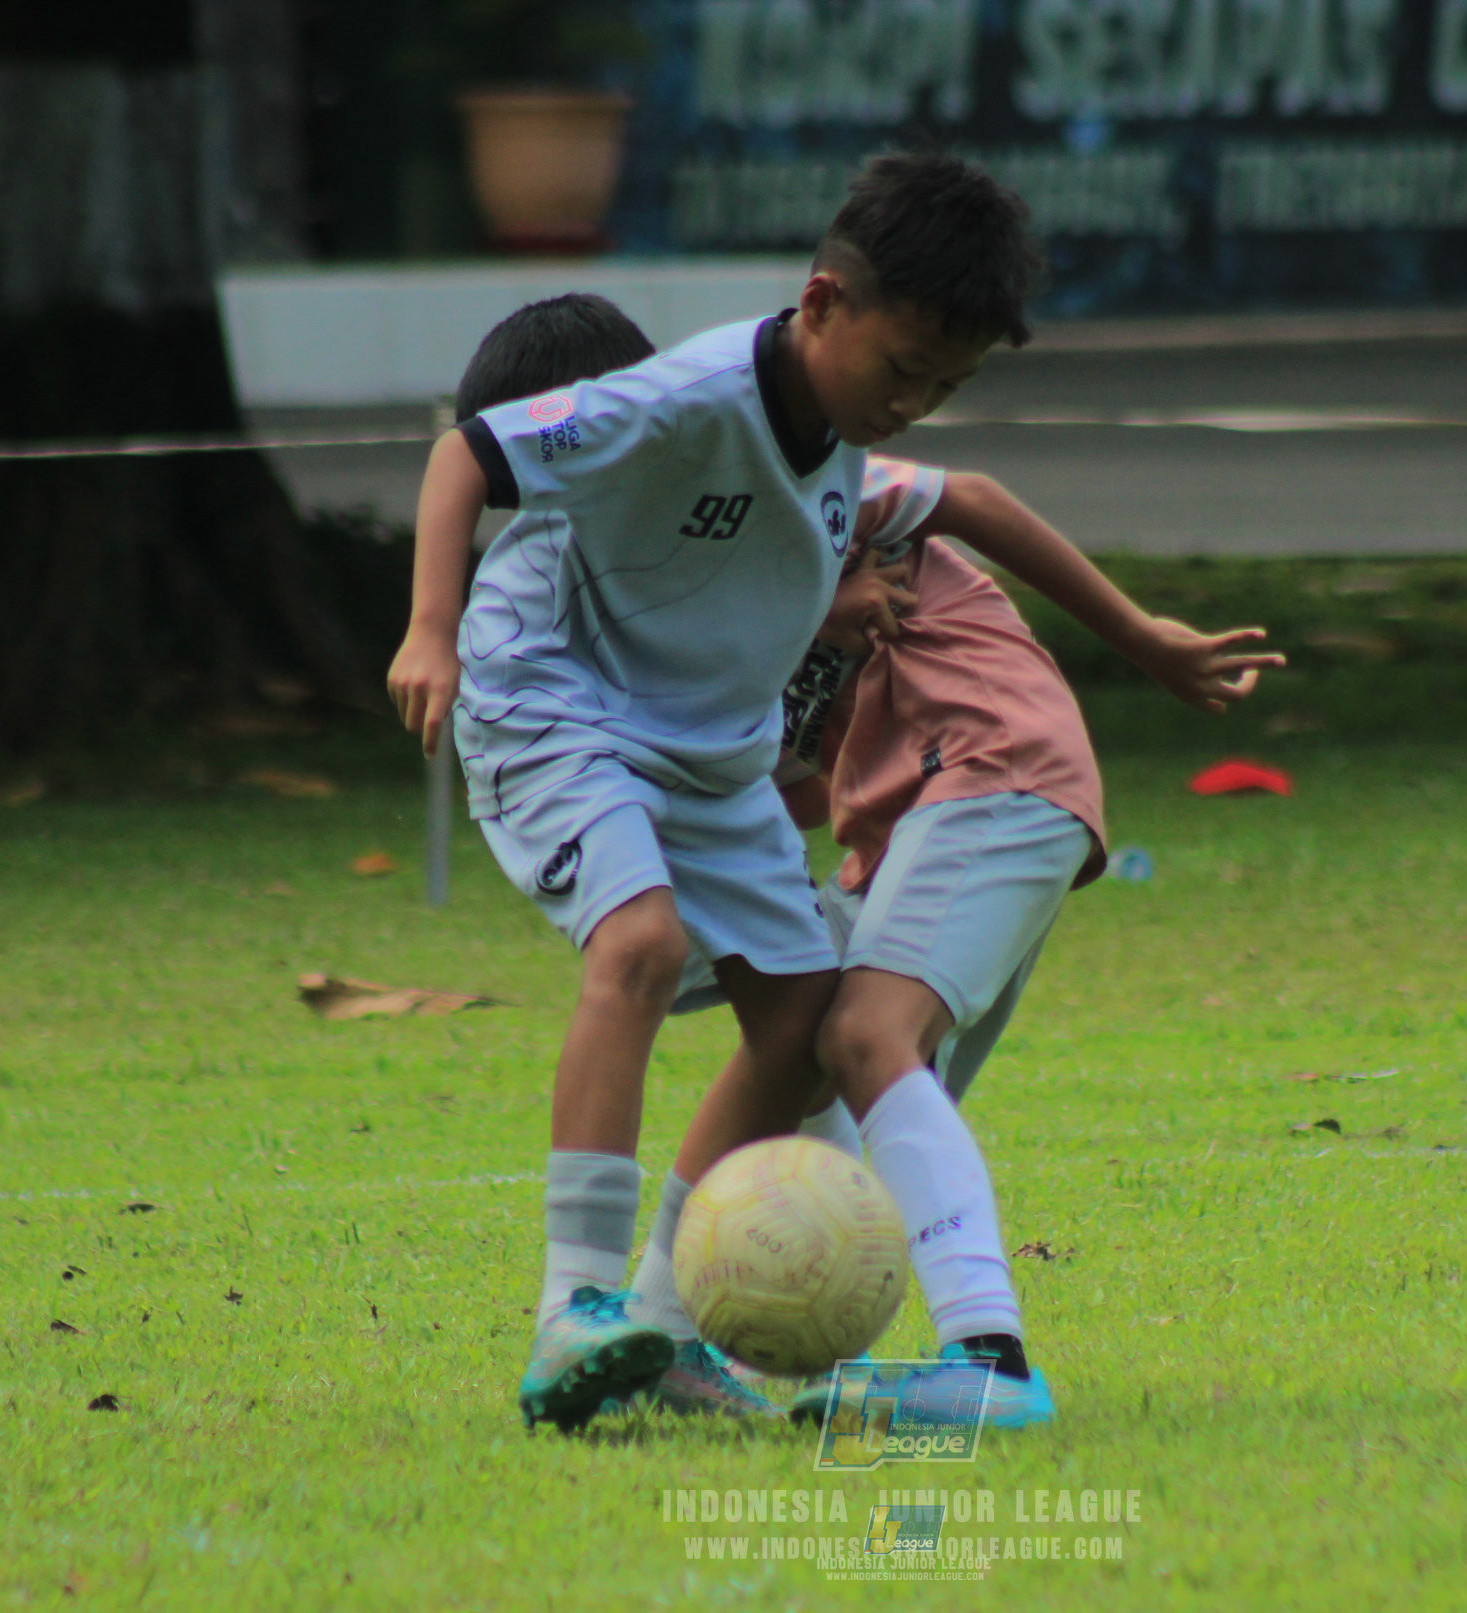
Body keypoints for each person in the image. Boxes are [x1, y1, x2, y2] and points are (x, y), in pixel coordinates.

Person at [386, 153, 1050, 1432]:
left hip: (707, 753)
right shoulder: (680, 395)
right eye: (901, 366)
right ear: (820, 305)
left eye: (944, 384)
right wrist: (431, 628)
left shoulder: (847, 435)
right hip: (555, 707)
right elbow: (464, 456)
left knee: (800, 1030)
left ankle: (663, 1323)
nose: (913, 400)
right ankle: (569, 1306)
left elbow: (920, 516)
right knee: (639, 940)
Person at [626, 456, 1283, 1426]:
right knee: (804, 1057)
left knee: (861, 1033)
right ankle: (661, 1337)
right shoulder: (677, 605)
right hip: (908, 830)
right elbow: (802, 784)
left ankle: (990, 1360)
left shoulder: (769, 472)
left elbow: (969, 497)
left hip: (990, 764)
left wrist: (1144, 639)